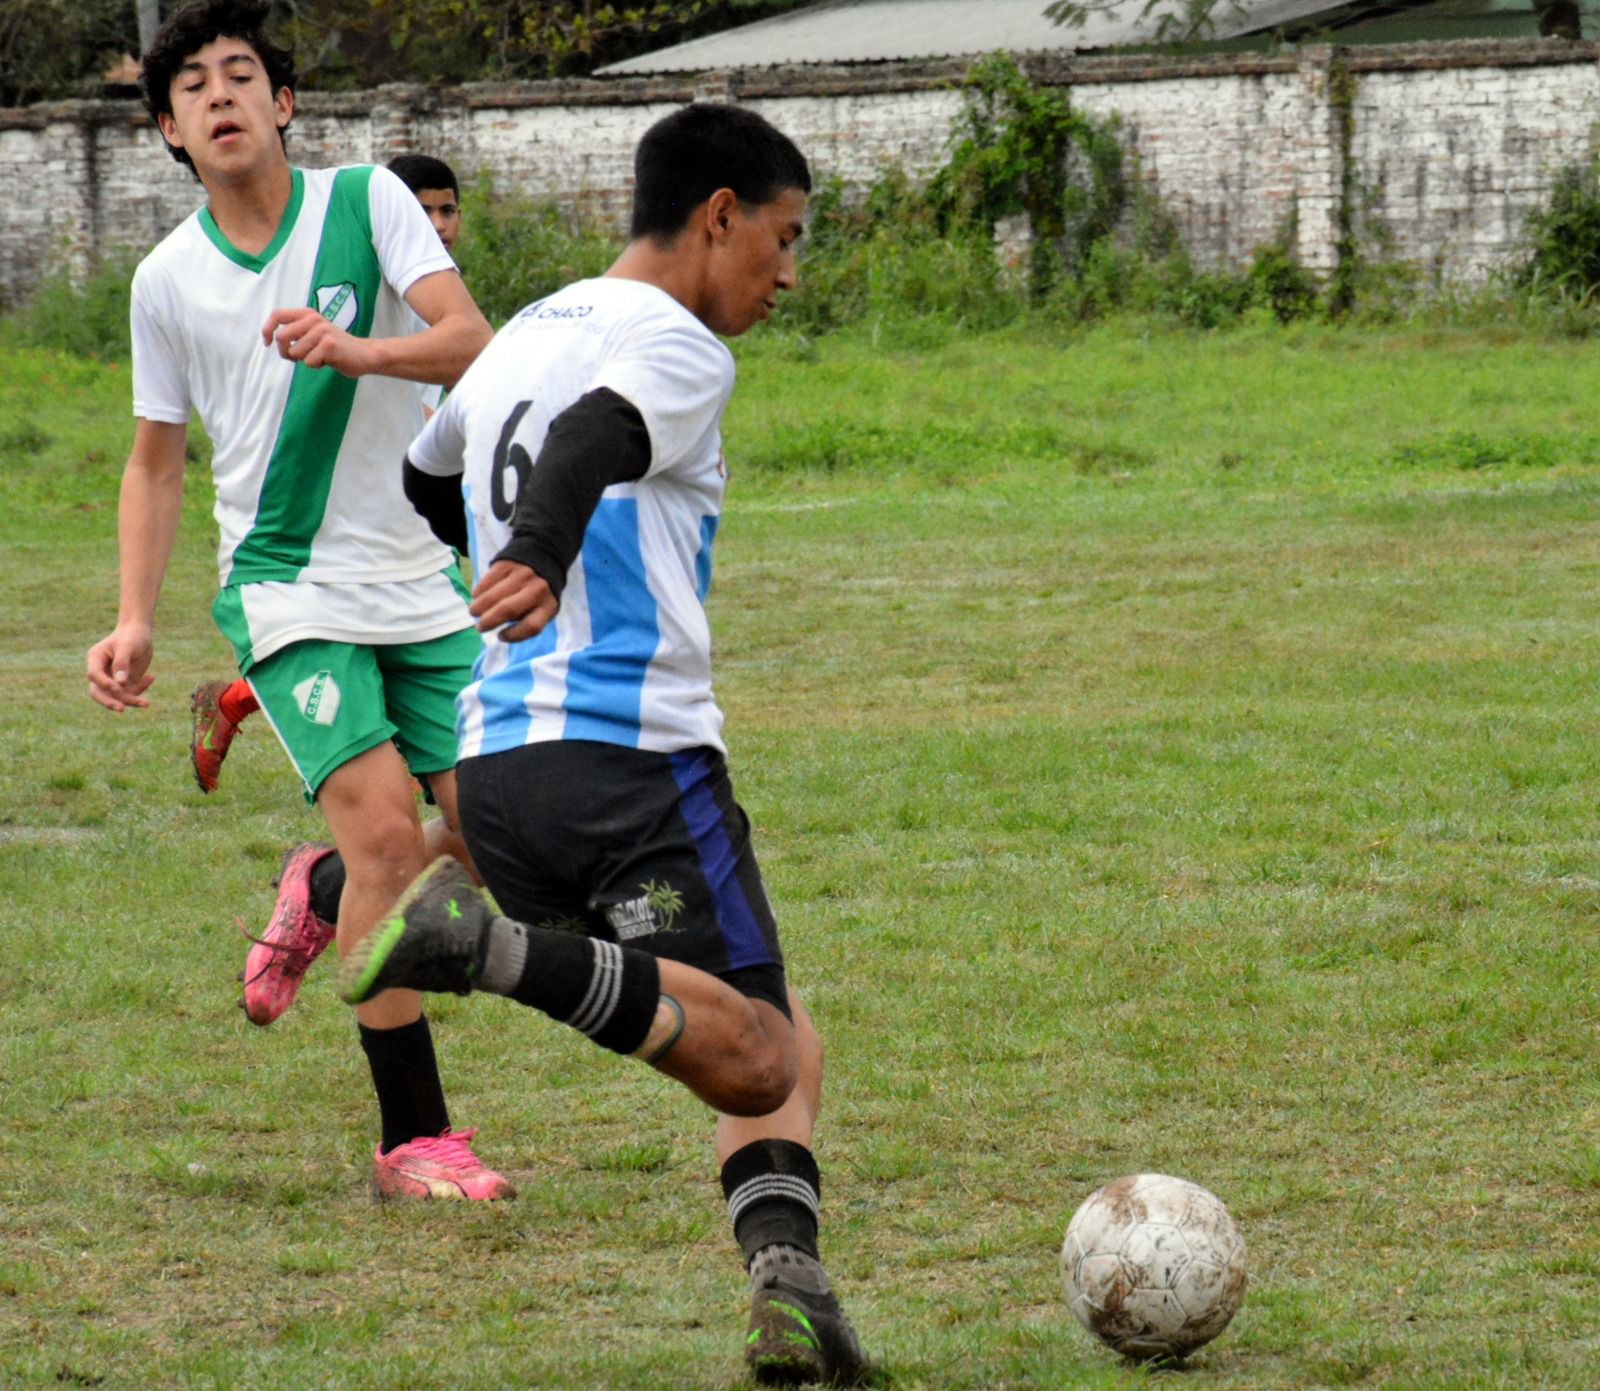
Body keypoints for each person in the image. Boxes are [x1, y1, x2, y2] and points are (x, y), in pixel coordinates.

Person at [337, 102, 869, 1385]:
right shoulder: (675, 344)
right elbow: (592, 440)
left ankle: (791, 1295)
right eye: (785, 239)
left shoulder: (525, 328)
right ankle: (498, 951)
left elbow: (425, 473)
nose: (789, 273)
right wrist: (533, 552)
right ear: (718, 215)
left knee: (774, 1023)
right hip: (629, 765)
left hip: (502, 773)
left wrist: (503, 565)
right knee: (758, 1054)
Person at [85, 0, 511, 1202]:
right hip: (283, 588)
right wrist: (133, 617)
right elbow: (156, 458)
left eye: (241, 75)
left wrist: (359, 349)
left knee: (510, 843)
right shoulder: (166, 280)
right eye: (192, 88)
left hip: (425, 582)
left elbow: (469, 339)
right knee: (385, 836)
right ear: (169, 130)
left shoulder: (368, 201)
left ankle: (322, 890)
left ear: (283, 103)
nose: (219, 95)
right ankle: (412, 1141)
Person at [190, 151, 466, 798]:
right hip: (334, 552)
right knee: (392, 799)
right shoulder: (355, 283)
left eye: (447, 209)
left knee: (489, 805)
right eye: (421, 210)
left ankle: (334, 873)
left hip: (416, 536)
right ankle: (232, 704)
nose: (436, 222)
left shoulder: (447, 306)